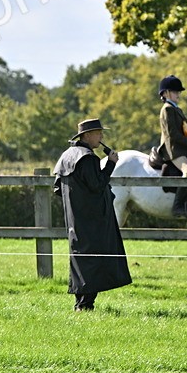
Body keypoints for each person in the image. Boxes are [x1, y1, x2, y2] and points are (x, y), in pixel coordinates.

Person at [53, 118, 132, 311]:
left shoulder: (66, 156)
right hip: (93, 218)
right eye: (98, 133)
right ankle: (85, 305)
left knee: (80, 258)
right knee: (94, 259)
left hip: (75, 218)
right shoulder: (88, 158)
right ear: (87, 135)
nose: (101, 136)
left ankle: (81, 304)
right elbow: (97, 185)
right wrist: (111, 164)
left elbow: (58, 189)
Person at [157, 75, 187, 217]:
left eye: (179, 92)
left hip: (180, 147)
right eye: (175, 91)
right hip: (172, 149)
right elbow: (173, 135)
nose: (178, 94)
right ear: (166, 93)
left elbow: (185, 131)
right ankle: (177, 206)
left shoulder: (176, 109)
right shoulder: (167, 109)